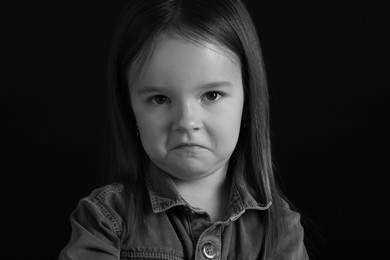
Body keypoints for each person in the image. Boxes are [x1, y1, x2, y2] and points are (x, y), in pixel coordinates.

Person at [59, 0, 309, 259]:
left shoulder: (280, 229)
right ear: (130, 108)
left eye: (211, 95)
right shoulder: (105, 221)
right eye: (160, 99)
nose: (187, 121)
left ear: (247, 104)